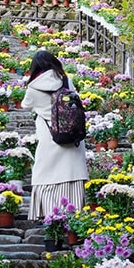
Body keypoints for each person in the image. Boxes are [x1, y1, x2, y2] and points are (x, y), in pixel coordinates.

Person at [20, 49, 88, 222]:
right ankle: (73, 223)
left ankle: (50, 222)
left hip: (49, 137)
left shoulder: (33, 88)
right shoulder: (65, 81)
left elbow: (25, 105)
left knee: (46, 176)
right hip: (71, 136)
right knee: (72, 175)